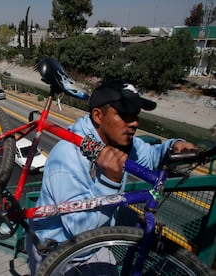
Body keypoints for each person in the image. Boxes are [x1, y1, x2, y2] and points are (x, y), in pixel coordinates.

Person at [27, 80, 196, 275]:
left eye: (135, 115)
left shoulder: (121, 142)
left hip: (95, 245)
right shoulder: (68, 155)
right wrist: (109, 181)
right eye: (125, 115)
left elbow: (149, 156)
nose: (134, 123)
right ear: (98, 115)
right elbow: (79, 231)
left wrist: (174, 146)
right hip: (59, 253)